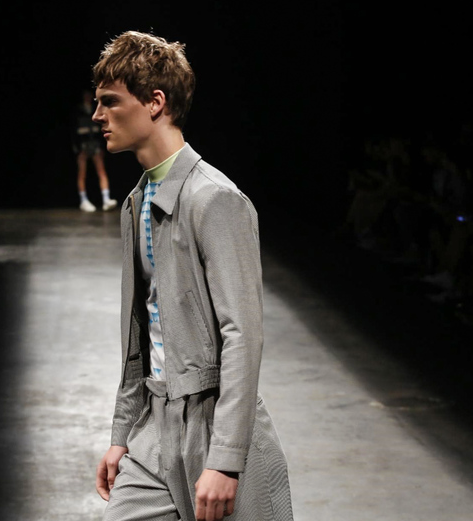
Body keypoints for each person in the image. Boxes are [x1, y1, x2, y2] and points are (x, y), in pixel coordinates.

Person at [91, 31, 293, 521]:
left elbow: (242, 333)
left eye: (109, 102)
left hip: (213, 425)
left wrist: (226, 458)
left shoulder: (215, 199)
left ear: (155, 102)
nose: (97, 116)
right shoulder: (136, 203)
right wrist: (123, 434)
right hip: (155, 429)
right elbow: (140, 333)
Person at [73, 89, 117, 212]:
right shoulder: (78, 110)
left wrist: (102, 146)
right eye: (86, 95)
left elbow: (100, 127)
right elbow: (73, 130)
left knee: (101, 171)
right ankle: (83, 200)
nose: (87, 97)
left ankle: (106, 199)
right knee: (82, 173)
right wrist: (77, 148)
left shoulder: (95, 108)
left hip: (95, 143)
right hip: (83, 144)